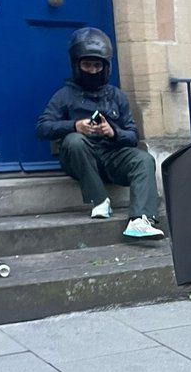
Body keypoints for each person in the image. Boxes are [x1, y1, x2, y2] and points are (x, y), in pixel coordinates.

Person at [35, 27, 164, 240]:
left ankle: (140, 220)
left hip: (111, 156)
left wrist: (113, 132)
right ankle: (100, 200)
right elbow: (42, 127)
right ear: (77, 65)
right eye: (87, 65)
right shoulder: (64, 95)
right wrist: (74, 126)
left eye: (97, 66)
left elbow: (133, 135)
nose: (93, 71)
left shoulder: (117, 96)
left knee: (144, 159)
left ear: (105, 67)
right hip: (81, 158)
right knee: (75, 141)